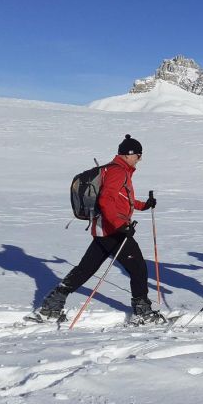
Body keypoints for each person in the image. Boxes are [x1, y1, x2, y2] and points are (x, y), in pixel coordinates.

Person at [30, 135, 163, 324]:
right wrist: (120, 226)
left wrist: (143, 205)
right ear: (130, 154)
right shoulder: (118, 172)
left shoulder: (114, 169)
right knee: (138, 268)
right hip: (112, 231)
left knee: (86, 269)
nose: (139, 160)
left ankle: (52, 305)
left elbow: (121, 199)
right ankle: (142, 312)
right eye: (138, 156)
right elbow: (106, 200)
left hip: (103, 229)